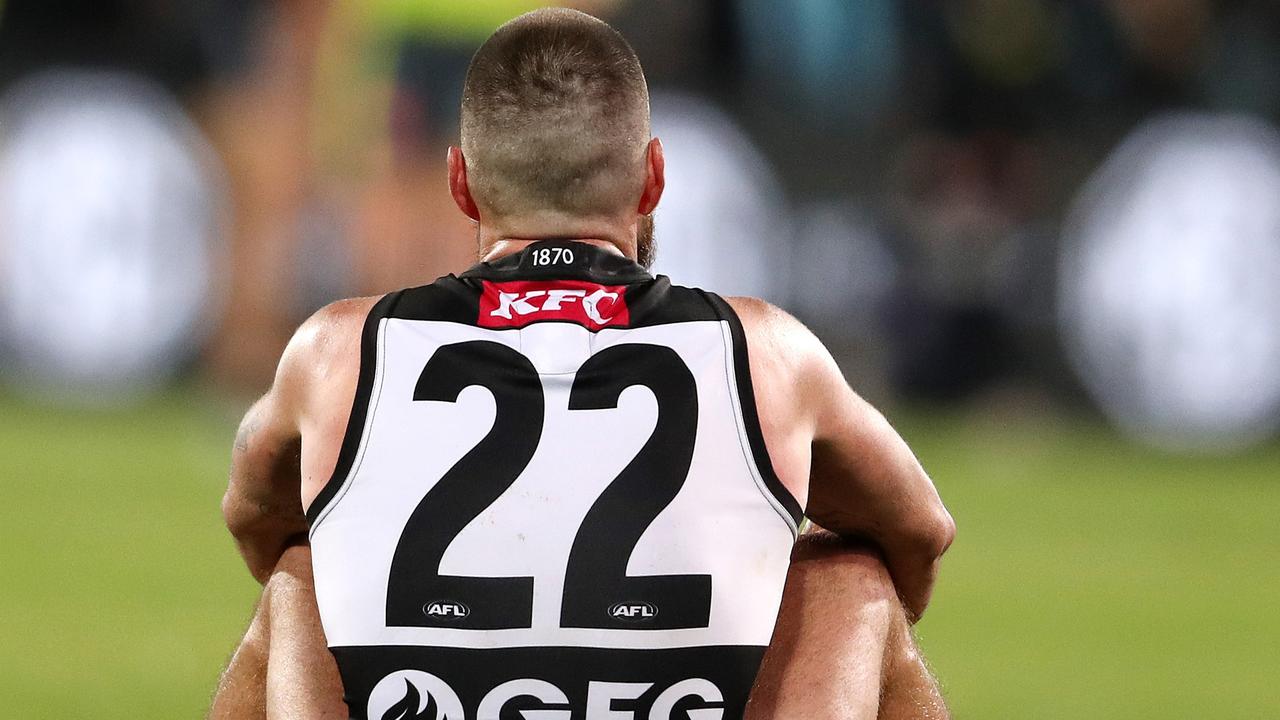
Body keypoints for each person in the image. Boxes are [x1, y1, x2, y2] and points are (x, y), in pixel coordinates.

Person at [211, 8, 955, 720]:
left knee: (298, 580)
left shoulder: (340, 348)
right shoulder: (763, 350)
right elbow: (919, 532)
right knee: (854, 580)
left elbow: (254, 520)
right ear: (654, 177)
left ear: (461, 184)